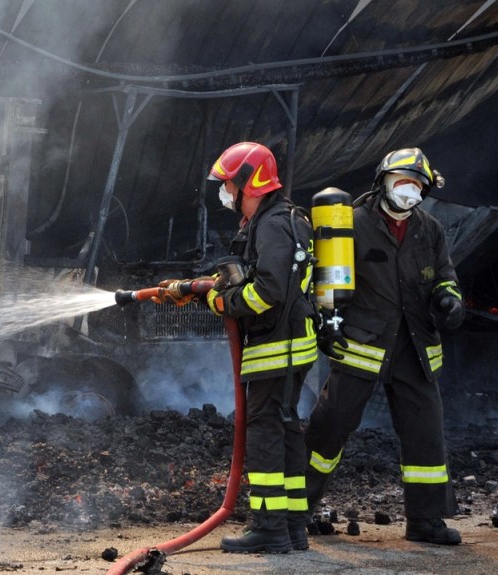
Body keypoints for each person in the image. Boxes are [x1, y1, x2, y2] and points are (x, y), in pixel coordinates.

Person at [305, 147, 465, 545]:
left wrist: (449, 299)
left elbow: (445, 275)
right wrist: (327, 320)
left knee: (425, 433)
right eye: (402, 181)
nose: (409, 190)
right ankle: (295, 511)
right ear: (383, 182)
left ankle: (425, 521)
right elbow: (325, 278)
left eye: (417, 185)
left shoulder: (430, 229)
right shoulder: (352, 224)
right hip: (362, 343)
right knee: (331, 425)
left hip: (415, 346)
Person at [203, 142, 318, 553]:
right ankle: (293, 527)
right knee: (286, 430)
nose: (225, 192)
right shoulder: (281, 219)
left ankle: (269, 529)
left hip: (276, 348)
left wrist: (224, 303)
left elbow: (268, 290)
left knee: (265, 432)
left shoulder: (271, 225)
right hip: (290, 346)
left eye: (228, 184)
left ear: (248, 182)